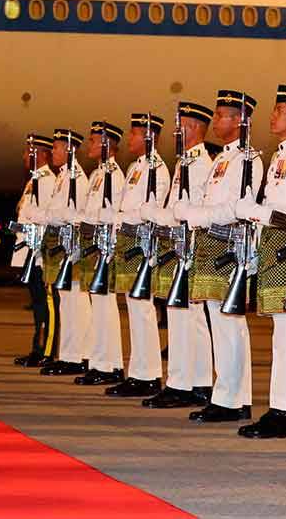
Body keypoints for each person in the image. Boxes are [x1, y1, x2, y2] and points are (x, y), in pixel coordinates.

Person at [236, 84, 286, 439]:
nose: (272, 116)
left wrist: (256, 212)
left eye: (280, 111)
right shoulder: (284, 153)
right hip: (275, 244)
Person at [177, 90, 263, 422]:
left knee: (230, 323)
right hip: (212, 244)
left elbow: (237, 206)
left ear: (241, 121)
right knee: (218, 322)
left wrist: (200, 215)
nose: (216, 121)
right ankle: (224, 393)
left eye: (222, 115)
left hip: (229, 246)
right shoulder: (223, 159)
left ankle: (235, 398)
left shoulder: (247, 158)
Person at [140, 101, 214, 409]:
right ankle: (193, 382)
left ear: (195, 129)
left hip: (190, 246)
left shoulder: (199, 164)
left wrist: (157, 215)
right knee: (183, 318)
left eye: (181, 125)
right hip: (178, 246)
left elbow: (187, 211)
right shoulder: (185, 162)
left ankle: (186, 383)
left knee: (188, 317)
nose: (175, 131)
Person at [103, 113, 169, 398]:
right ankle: (139, 372)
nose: (129, 139)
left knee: (143, 310)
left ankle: (150, 375)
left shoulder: (158, 168)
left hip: (142, 243)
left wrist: (122, 217)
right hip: (127, 241)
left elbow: (149, 209)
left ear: (149, 136)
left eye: (134, 133)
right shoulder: (135, 167)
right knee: (133, 307)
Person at [27, 129, 90, 376]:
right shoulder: (64, 176)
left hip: (72, 247)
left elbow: (71, 214)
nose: (53, 152)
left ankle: (79, 355)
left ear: (69, 150)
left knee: (76, 302)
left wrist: (42, 215)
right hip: (59, 244)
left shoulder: (77, 178)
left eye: (56, 148)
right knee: (67, 303)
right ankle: (68, 355)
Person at [74, 121, 126, 386]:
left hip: (105, 249)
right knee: (98, 308)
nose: (89, 146)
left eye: (94, 141)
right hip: (92, 246)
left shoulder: (114, 175)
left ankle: (110, 365)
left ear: (107, 145)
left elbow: (113, 213)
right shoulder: (97, 175)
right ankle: (100, 361)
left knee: (106, 308)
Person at [12, 134, 57, 367]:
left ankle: (44, 350)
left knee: (44, 304)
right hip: (28, 251)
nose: (23, 156)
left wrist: (36, 251)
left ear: (39, 154)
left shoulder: (47, 180)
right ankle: (37, 348)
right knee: (37, 304)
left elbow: (46, 218)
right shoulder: (35, 180)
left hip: (38, 255)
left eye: (27, 151)